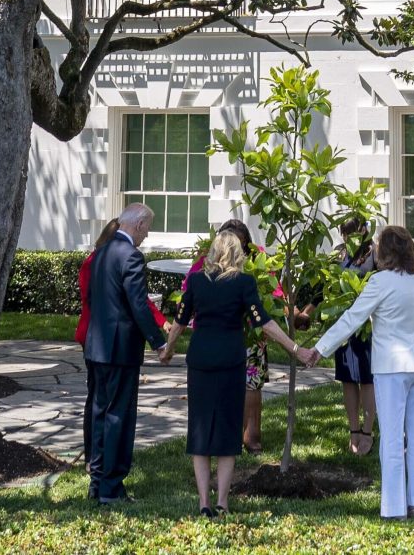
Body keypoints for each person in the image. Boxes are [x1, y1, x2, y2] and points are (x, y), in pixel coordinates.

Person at [299, 223, 414, 520]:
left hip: (392, 366)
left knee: (391, 435)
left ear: (386, 252)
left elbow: (351, 319)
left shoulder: (379, 282)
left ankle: (394, 506)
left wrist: (320, 349)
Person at [159, 224, 307, 516]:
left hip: (200, 360)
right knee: (228, 432)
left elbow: (179, 321)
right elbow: (263, 321)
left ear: (213, 253)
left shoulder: (197, 283)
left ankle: (203, 502)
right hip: (230, 360)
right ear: (238, 253)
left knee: (199, 429)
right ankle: (222, 503)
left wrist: (169, 348)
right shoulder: (244, 283)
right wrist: (294, 348)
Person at [82, 204, 168, 504]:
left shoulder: (101, 252)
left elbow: (93, 298)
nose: (148, 235)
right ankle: (112, 487)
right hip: (120, 350)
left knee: (99, 413)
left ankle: (96, 481)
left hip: (96, 346)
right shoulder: (131, 256)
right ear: (140, 224)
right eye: (148, 227)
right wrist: (158, 342)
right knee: (119, 415)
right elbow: (138, 304)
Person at [190, 217, 274, 451]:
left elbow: (274, 292)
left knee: (250, 385)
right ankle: (240, 437)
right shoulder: (208, 263)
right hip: (234, 332)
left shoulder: (256, 260)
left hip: (248, 332)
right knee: (247, 385)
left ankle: (249, 435)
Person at [75, 213, 167, 349]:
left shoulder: (95, 259)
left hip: (95, 331)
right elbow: (137, 300)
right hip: (103, 331)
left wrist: (161, 321)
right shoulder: (102, 260)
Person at [331, 215, 378, 455]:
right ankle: (354, 429)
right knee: (348, 378)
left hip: (368, 326)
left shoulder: (375, 253)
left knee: (368, 379)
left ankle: (368, 430)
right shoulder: (339, 254)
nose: (349, 238)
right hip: (345, 324)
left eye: (355, 233)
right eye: (346, 234)